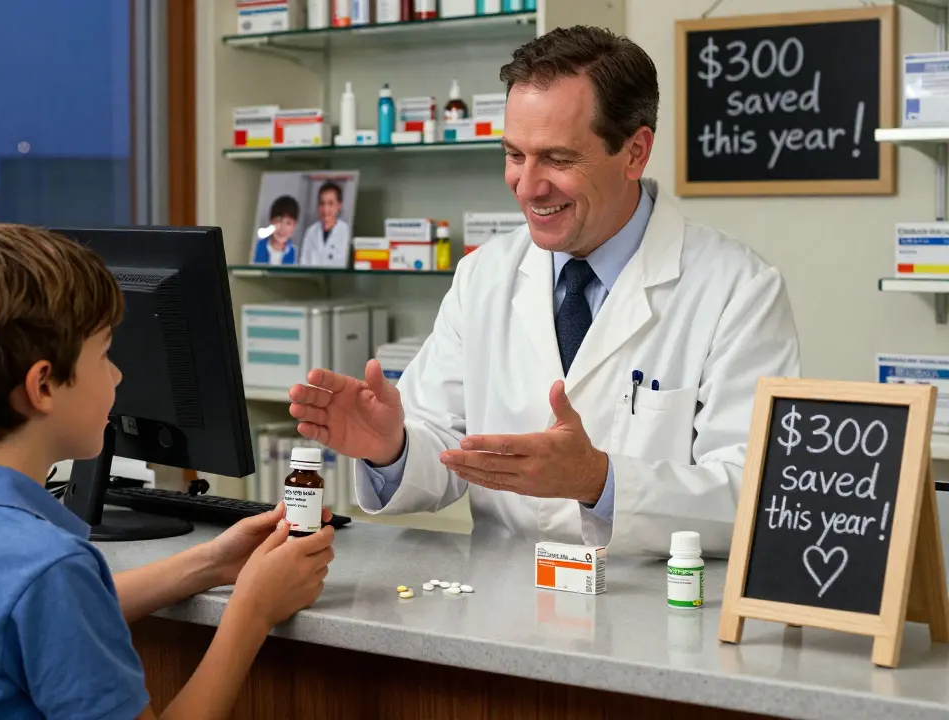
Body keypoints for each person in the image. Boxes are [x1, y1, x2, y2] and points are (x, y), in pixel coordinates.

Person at [287, 26, 801, 557]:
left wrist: (599, 482)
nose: (528, 186)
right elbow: (444, 448)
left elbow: (757, 495)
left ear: (634, 152)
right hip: (501, 607)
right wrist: (389, 448)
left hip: (655, 617)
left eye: (557, 159)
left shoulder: (738, 291)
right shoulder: (483, 276)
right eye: (514, 154)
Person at [0, 224, 336, 719]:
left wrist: (211, 564)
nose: (117, 375)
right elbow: (48, 598)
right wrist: (253, 611)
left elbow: (34, 618)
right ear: (43, 386)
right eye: (104, 355)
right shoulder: (48, 568)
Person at [300, 180, 352, 267]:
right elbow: (303, 262)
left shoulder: (346, 232)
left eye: (330, 203)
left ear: (339, 206)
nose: (325, 209)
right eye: (322, 203)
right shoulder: (310, 231)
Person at [251, 194, 300, 265]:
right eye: (278, 221)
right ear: (271, 221)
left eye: (288, 223)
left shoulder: (297, 255)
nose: (282, 228)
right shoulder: (255, 248)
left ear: (294, 226)